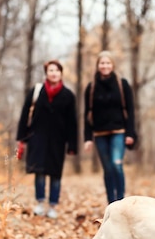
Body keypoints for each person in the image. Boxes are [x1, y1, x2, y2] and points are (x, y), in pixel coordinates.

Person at [16, 60, 78, 219]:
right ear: (46, 73)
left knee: (55, 174)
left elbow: (72, 122)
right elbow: (25, 115)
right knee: (39, 172)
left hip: (58, 140)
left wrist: (72, 144)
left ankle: (52, 206)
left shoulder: (68, 95)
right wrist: (21, 137)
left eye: (57, 70)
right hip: (37, 138)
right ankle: (40, 203)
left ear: (61, 73)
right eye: (51, 70)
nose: (54, 73)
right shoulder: (36, 91)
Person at [84, 51, 137, 204]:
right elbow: (87, 114)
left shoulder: (122, 84)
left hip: (119, 132)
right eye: (102, 63)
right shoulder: (91, 87)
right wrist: (87, 138)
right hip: (100, 133)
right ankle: (111, 203)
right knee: (107, 168)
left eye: (108, 63)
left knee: (116, 164)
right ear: (98, 66)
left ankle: (121, 201)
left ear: (112, 65)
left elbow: (131, 110)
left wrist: (130, 133)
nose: (105, 66)